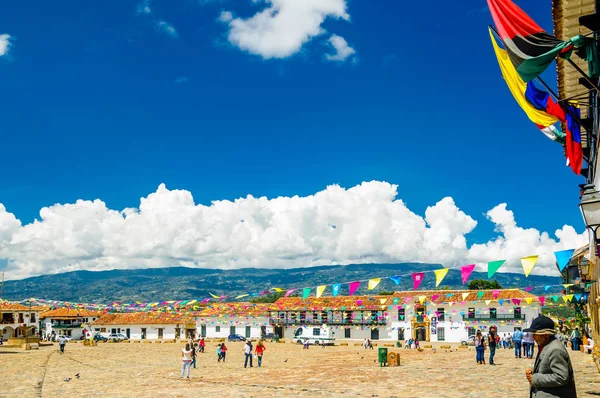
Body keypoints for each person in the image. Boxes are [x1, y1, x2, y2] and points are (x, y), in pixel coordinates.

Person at [524, 315, 576, 398]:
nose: (533, 338)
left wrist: (535, 378)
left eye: (535, 334)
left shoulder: (555, 349)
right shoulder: (546, 345)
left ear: (545, 335)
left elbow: (561, 377)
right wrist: (535, 371)